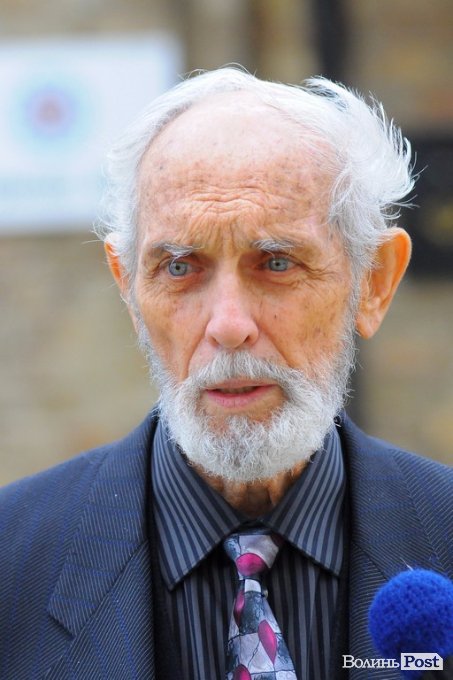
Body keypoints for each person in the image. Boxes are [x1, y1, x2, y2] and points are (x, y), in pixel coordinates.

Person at [1, 68, 452, 680]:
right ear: (129, 289)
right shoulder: (12, 565)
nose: (229, 325)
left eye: (277, 262)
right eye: (180, 267)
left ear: (373, 283)